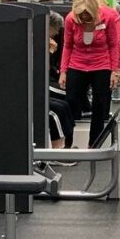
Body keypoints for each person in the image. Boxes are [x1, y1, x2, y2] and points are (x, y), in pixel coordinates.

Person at [58, 0, 120, 148]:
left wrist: (115, 70)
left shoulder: (108, 16)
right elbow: (67, 46)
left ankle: (94, 144)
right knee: (71, 101)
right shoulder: (71, 19)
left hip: (102, 64)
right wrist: (63, 71)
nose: (84, 17)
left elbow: (114, 45)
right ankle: (68, 143)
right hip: (77, 63)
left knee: (100, 105)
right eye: (81, 14)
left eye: (87, 13)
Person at [45, 11, 74, 150]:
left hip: (45, 81)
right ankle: (58, 151)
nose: (57, 33)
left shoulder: (47, 42)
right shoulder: (35, 41)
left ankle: (66, 147)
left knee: (65, 106)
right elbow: (39, 69)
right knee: (56, 111)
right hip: (38, 86)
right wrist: (48, 52)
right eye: (55, 30)